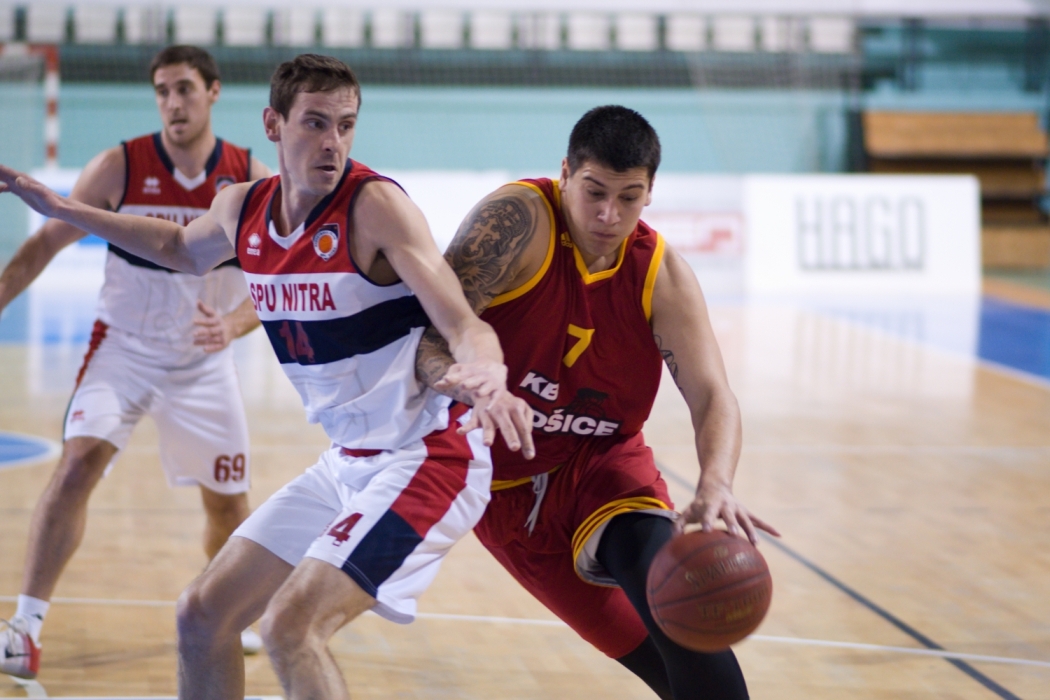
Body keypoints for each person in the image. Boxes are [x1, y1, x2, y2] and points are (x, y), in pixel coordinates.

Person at [0, 53, 534, 700]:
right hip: (346, 462)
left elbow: (462, 323)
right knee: (201, 615)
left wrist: (489, 372)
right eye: (315, 122)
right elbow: (175, 247)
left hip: (427, 456)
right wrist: (63, 207)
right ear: (274, 124)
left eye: (345, 125)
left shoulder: (375, 207)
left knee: (288, 627)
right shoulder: (241, 207)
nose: (332, 141)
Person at [416, 105, 779, 700]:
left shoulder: (661, 274)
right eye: (595, 193)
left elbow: (713, 394)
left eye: (629, 198)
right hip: (504, 490)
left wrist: (716, 482)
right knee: (664, 675)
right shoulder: (518, 222)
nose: (610, 214)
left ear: (650, 192)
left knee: (689, 630)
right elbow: (429, 342)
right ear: (565, 173)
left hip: (603, 465)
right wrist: (474, 384)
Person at [0, 45, 272, 679]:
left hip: (203, 363)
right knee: (77, 464)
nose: (173, 102)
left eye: (185, 88)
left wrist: (233, 325)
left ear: (212, 91)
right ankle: (24, 626)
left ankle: (226, 611)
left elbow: (277, 278)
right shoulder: (120, 166)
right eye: (162, 91)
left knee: (227, 504)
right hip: (123, 349)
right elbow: (44, 244)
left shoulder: (248, 178)